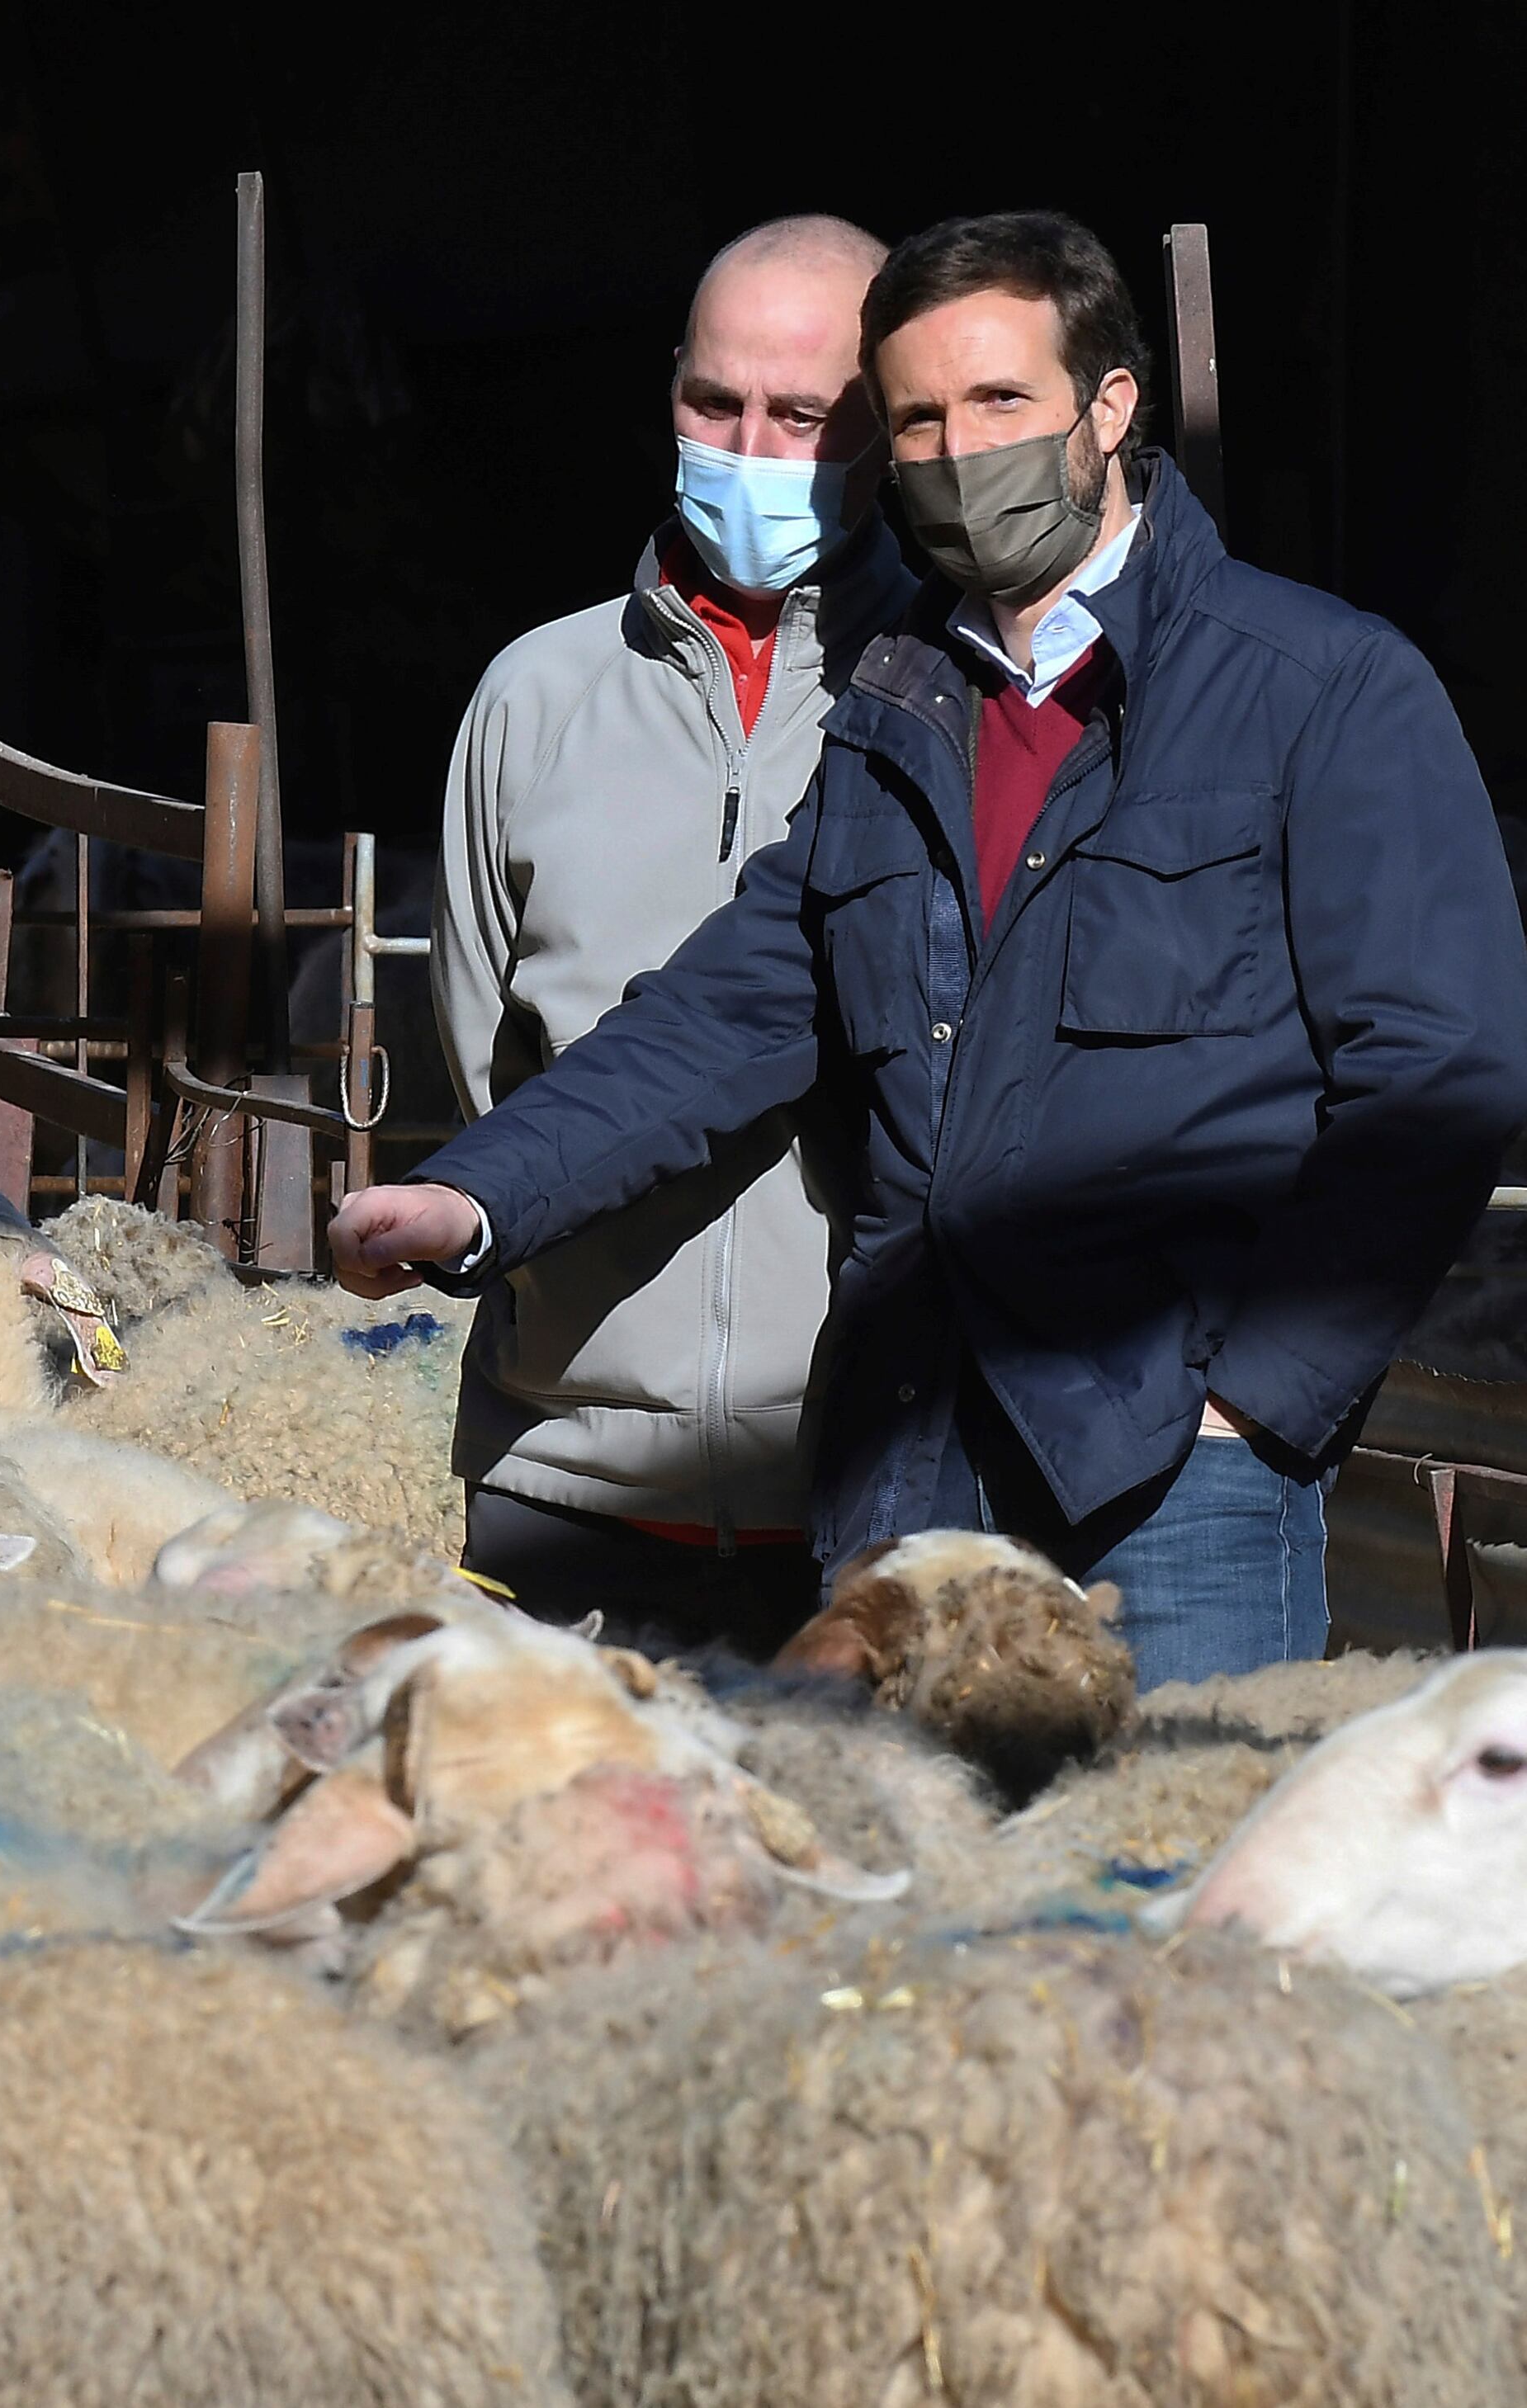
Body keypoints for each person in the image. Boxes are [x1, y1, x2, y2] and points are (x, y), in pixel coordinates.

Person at [336, 210, 1527, 1693]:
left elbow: (1441, 1070)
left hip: (1171, 1495)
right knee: (919, 1902)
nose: (962, 450)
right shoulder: (905, 717)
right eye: (919, 418)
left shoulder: (1317, 687)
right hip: (910, 1476)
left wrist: (1256, 1406)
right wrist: (475, 1194)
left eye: (1001, 403)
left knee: (1154, 1893)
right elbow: (721, 1011)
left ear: (1110, 406)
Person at [423, 213, 911, 1654]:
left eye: (805, 414)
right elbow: (477, 1047)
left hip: (866, 1495)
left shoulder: (948, 700)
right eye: (716, 401)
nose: (749, 445)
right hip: (558, 1486)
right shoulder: (536, 696)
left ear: (887, 429)